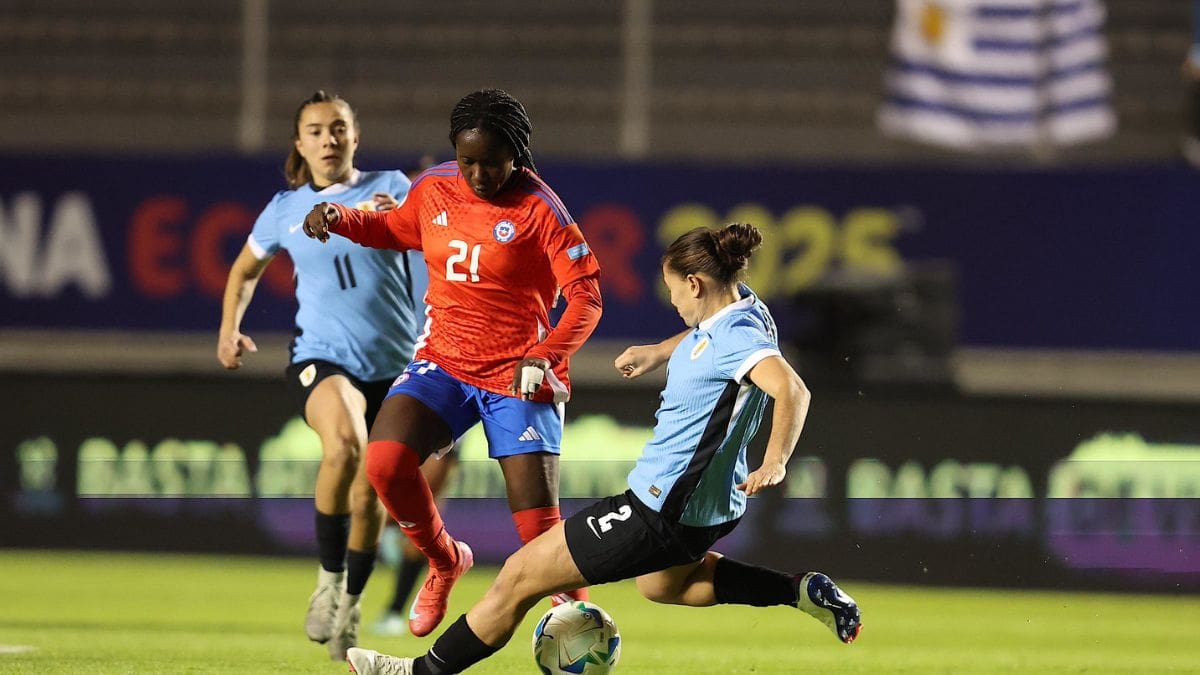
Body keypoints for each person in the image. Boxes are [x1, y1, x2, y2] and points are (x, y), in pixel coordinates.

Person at [342, 222, 863, 675]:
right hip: (711, 510)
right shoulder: (746, 310)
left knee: (518, 576)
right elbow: (715, 336)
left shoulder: (734, 339)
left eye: (674, 292)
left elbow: (792, 389)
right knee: (663, 586)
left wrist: (776, 461)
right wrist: (660, 351)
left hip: (659, 509)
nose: (675, 303)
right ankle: (800, 591)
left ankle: (418, 672)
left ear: (695, 283)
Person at [302, 88, 602, 638]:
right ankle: (444, 561)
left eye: (492, 161)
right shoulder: (436, 187)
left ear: (517, 153)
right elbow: (397, 230)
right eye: (469, 161)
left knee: (539, 535)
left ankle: (582, 635)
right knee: (385, 464)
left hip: (518, 376)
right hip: (443, 362)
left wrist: (546, 354)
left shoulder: (542, 211)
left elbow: (587, 298)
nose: (480, 174)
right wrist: (339, 218)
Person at [217, 90, 424, 661]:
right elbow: (244, 270)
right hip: (321, 356)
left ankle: (352, 605)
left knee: (371, 494)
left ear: (355, 136)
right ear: (299, 143)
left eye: (338, 128)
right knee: (343, 447)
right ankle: (328, 583)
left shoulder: (394, 189)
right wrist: (228, 328)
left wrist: (401, 224)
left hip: (396, 365)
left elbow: (437, 246)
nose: (328, 139)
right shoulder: (283, 210)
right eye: (316, 130)